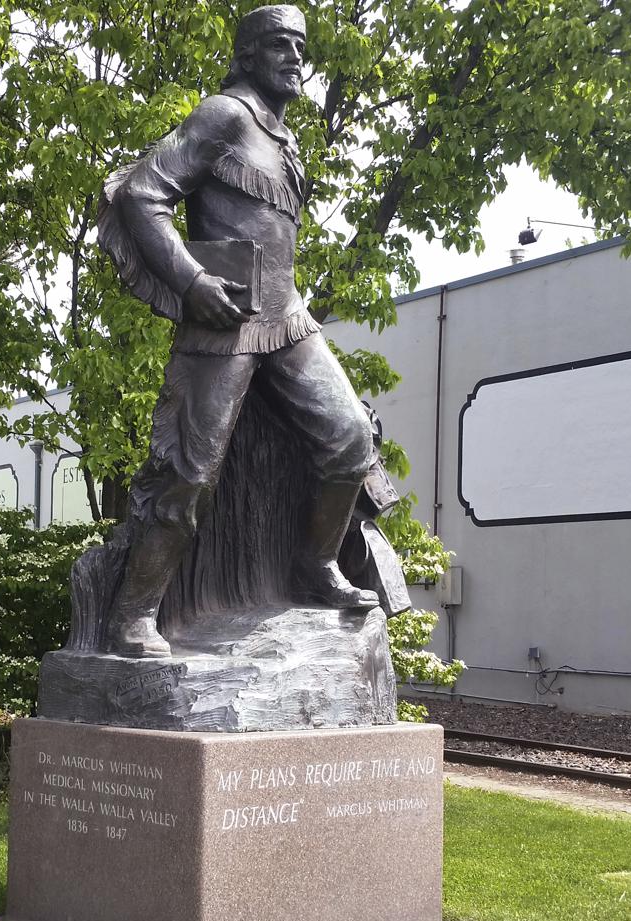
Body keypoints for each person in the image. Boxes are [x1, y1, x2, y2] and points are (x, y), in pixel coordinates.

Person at [98, 4, 377, 657]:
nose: (295, 59)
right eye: (280, 46)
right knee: (190, 470)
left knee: (350, 438)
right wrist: (192, 281)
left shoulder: (281, 136)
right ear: (248, 54)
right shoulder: (224, 115)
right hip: (222, 311)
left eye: (301, 48)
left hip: (286, 312)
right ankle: (132, 616)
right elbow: (142, 194)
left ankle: (314, 566)